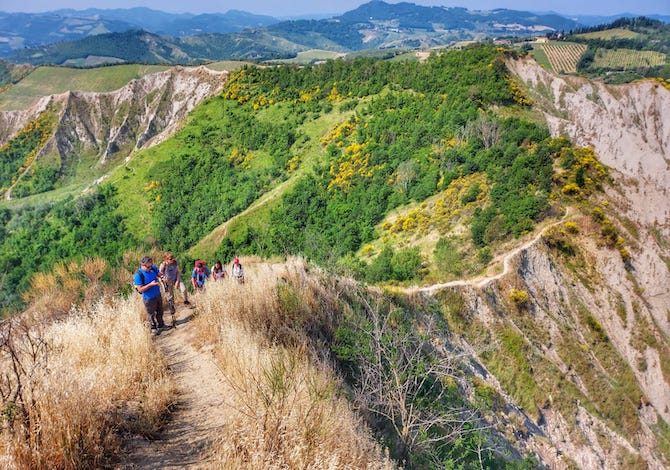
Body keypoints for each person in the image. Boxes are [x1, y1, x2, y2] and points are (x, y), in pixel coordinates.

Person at [134, 256, 167, 335]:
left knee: (160, 311)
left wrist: (162, 277)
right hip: (148, 298)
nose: (149, 268)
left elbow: (159, 274)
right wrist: (150, 285)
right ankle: (153, 329)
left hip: (157, 294)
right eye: (148, 267)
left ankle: (161, 325)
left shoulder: (153, 268)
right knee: (151, 314)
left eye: (150, 266)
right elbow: (140, 289)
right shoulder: (139, 275)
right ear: (142, 265)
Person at [159, 252, 189, 324]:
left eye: (172, 258)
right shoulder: (163, 265)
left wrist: (178, 281)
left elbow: (178, 272)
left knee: (183, 289)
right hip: (168, 281)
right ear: (166, 259)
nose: (172, 259)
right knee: (171, 298)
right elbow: (159, 274)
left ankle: (186, 301)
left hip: (175, 278)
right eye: (170, 258)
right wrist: (164, 281)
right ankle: (173, 314)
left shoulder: (175, 263)